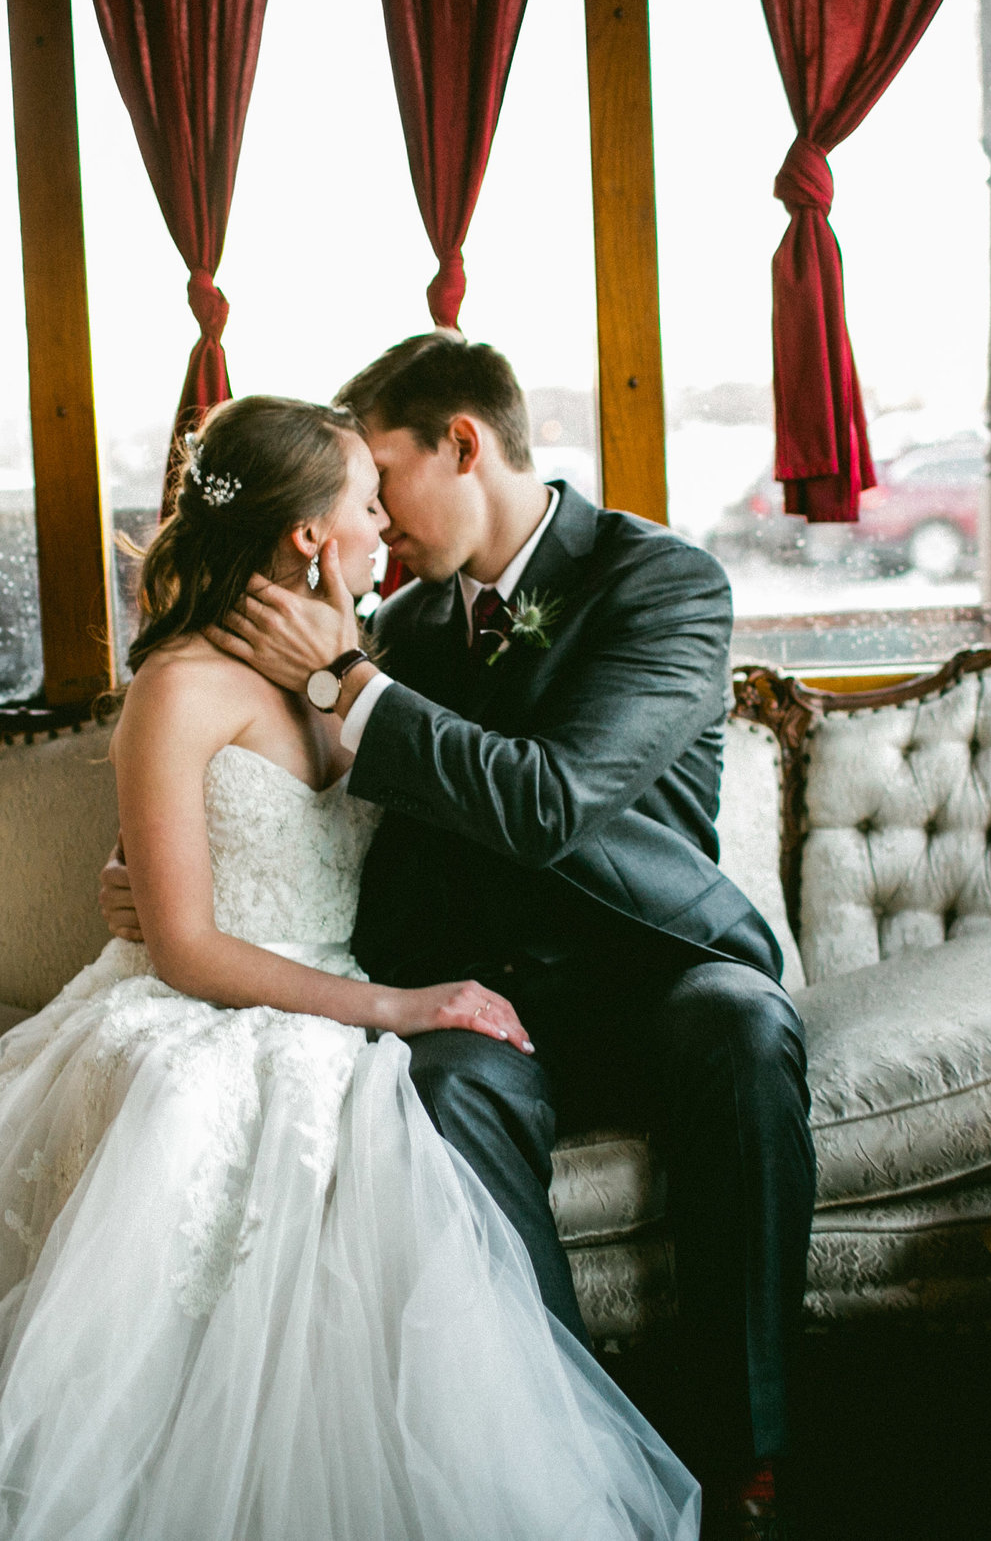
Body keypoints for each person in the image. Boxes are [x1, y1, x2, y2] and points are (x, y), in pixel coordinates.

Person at [0, 394, 698, 1541]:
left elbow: (461, 818)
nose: (386, 527)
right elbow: (183, 943)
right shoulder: (181, 683)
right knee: (217, 1113)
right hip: (207, 997)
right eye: (366, 504)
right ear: (312, 534)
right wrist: (405, 1003)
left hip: (327, 992)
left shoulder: (360, 663)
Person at [106, 333, 816, 1538]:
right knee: (437, 1082)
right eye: (357, 499)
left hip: (648, 965)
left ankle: (747, 1450)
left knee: (743, 1029)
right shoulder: (399, 623)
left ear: (464, 443)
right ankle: (570, 1442)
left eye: (386, 479)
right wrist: (167, 878)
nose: (373, 514)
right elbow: (316, 810)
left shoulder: (661, 584)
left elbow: (546, 799)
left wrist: (348, 682)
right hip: (476, 988)